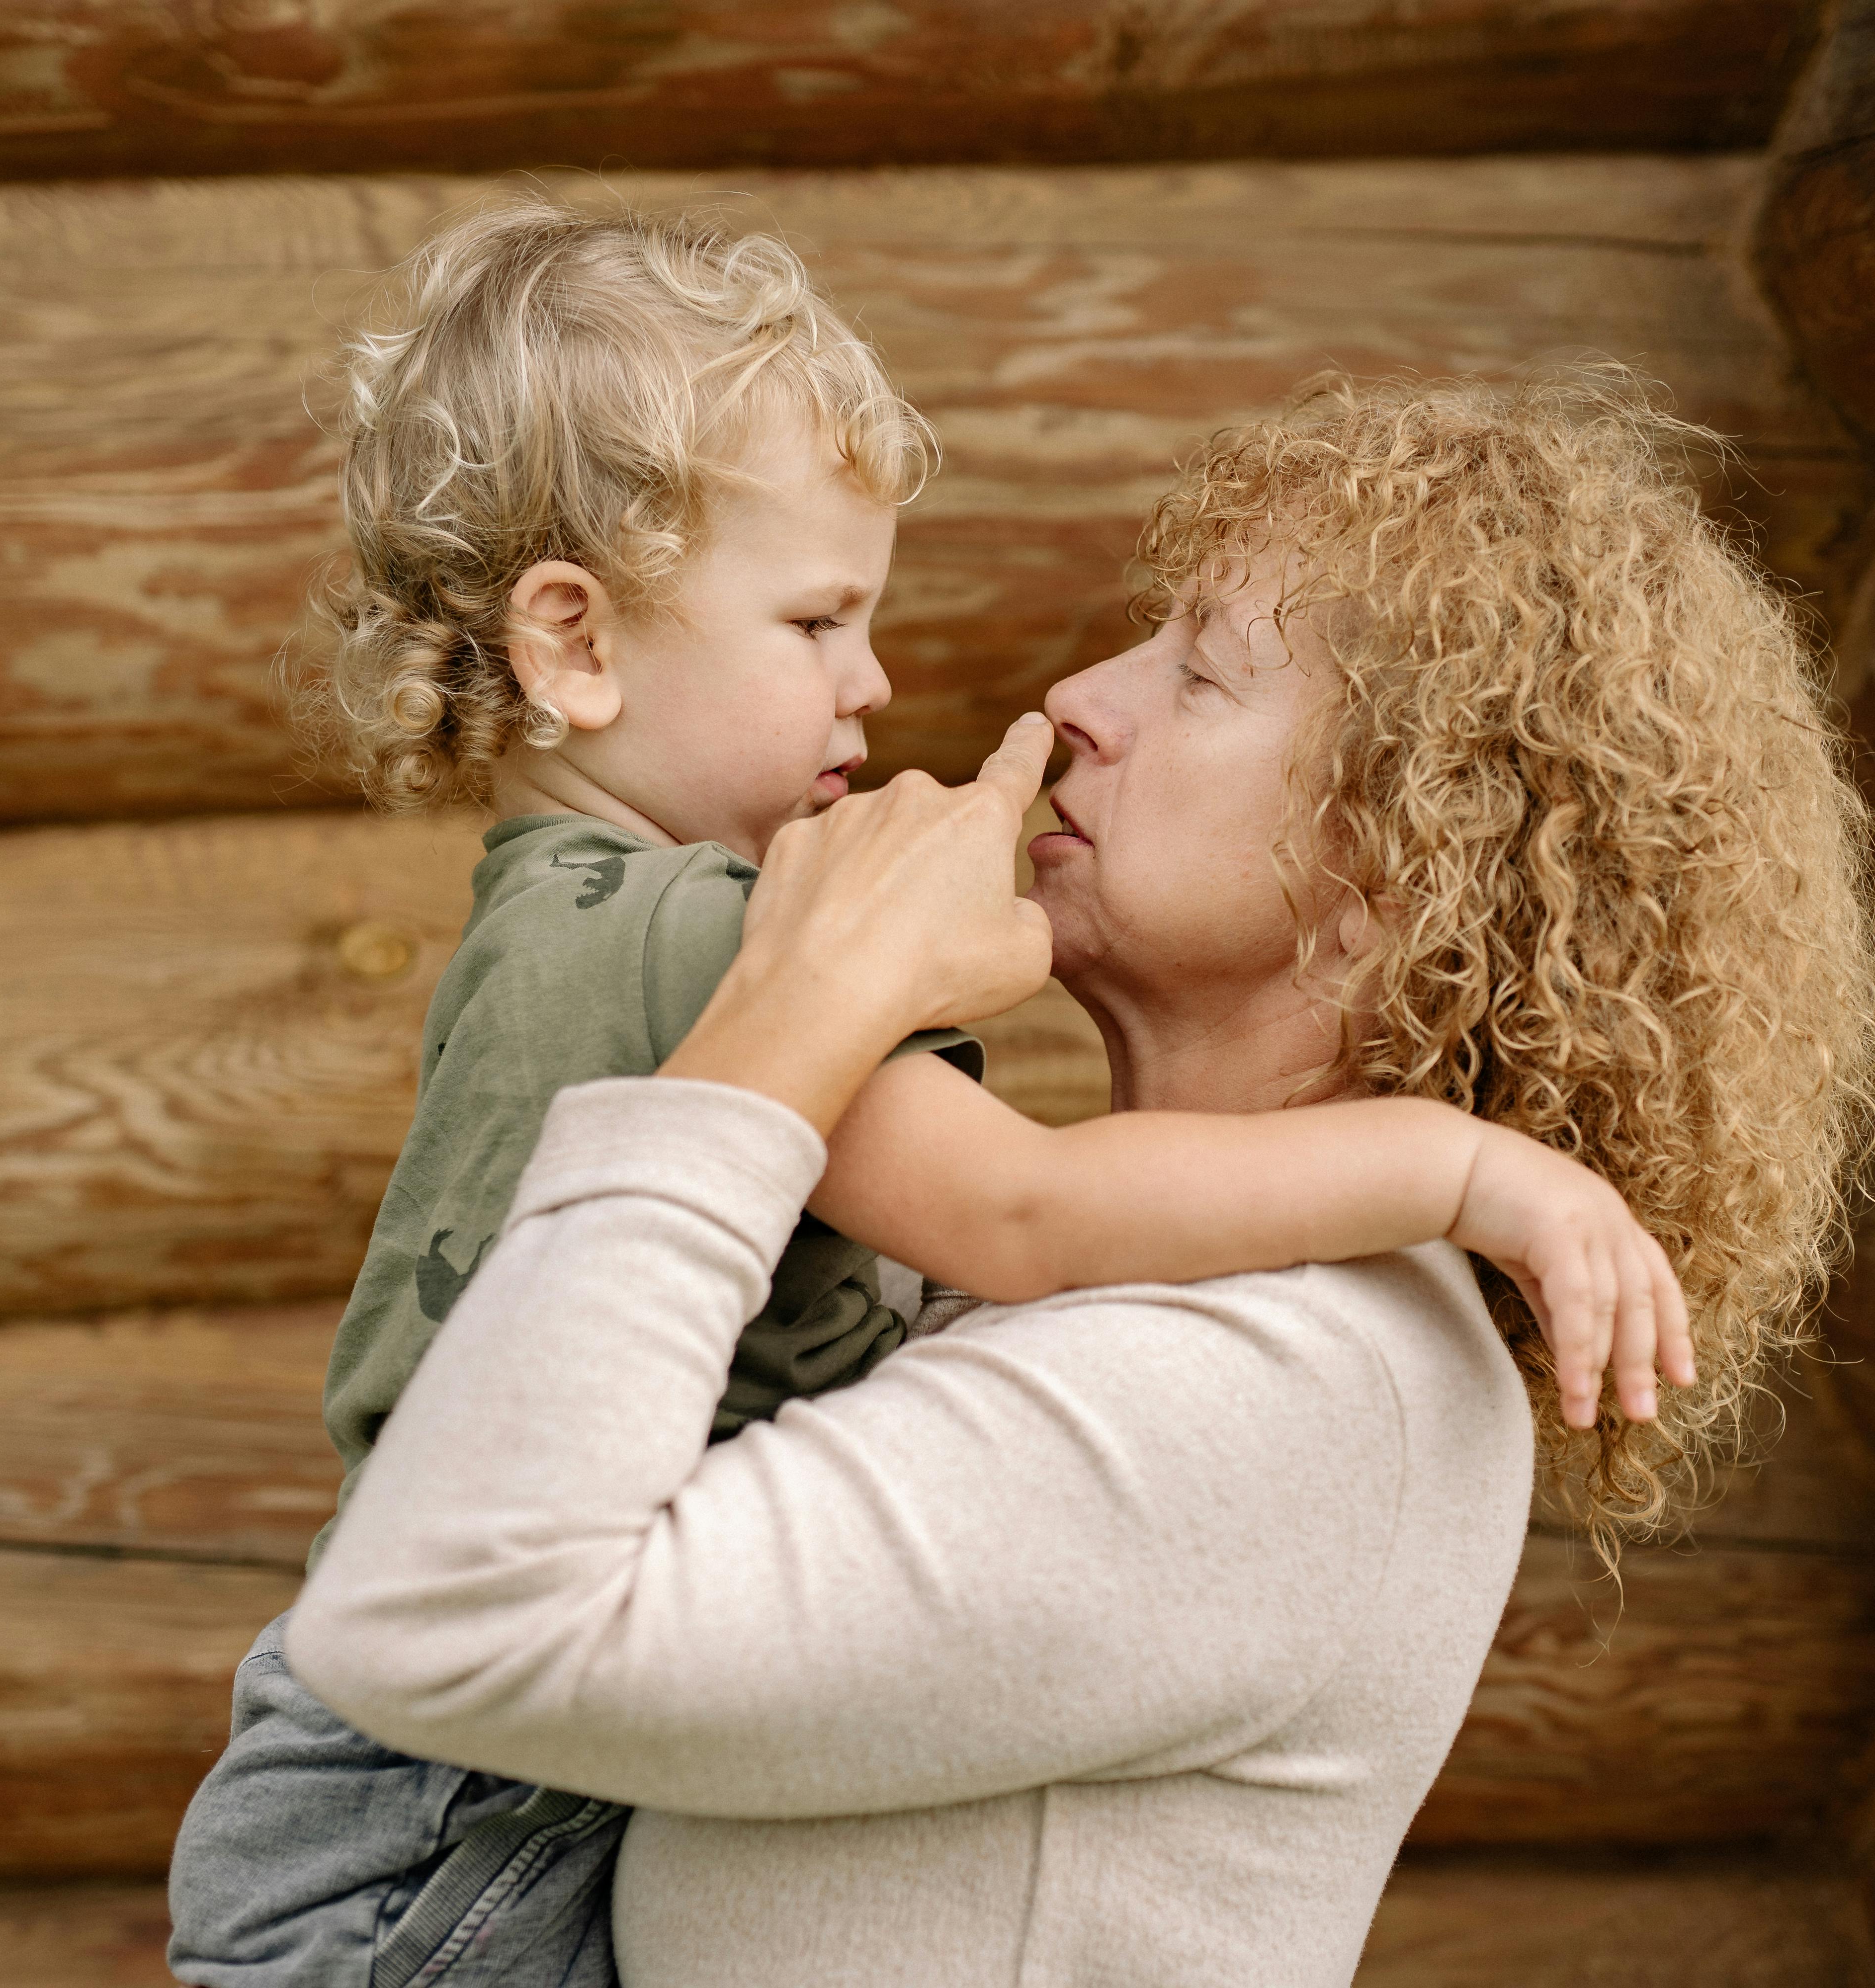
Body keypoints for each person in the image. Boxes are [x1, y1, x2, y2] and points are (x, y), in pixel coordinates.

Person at [168, 210, 1686, 1987]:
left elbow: (1029, 1225)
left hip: (426, 1800)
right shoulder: (696, 942)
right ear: (574, 646)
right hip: (432, 1831)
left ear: (1404, 861)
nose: (1047, 697)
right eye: (816, 619)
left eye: (1198, 671)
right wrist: (1455, 1164)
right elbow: (1027, 1213)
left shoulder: (1305, 1380)